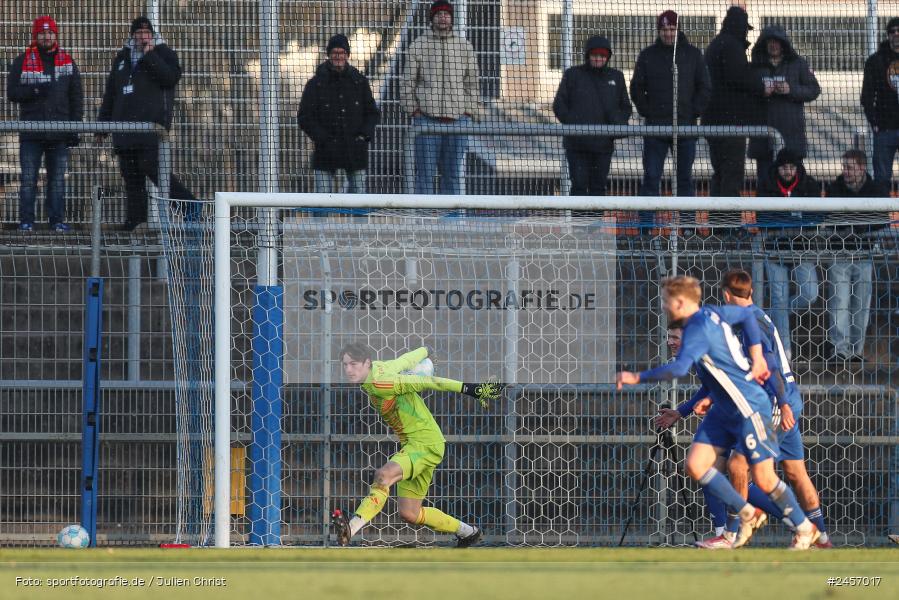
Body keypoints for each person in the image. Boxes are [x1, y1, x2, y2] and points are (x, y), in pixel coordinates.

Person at [619, 275, 820, 550]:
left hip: (749, 406)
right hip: (725, 408)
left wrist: (635, 377)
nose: (664, 306)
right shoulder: (713, 313)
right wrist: (755, 356)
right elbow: (747, 316)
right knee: (696, 465)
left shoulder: (698, 329)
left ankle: (804, 528)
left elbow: (678, 370)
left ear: (679, 302)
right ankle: (745, 515)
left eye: (666, 301)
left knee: (763, 477)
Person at [331, 343, 504, 547]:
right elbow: (404, 360)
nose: (348, 370)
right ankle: (468, 532)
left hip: (423, 443)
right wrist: (426, 350)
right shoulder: (379, 368)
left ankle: (349, 529)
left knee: (383, 476)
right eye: (345, 365)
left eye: (353, 364)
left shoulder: (382, 382)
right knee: (410, 513)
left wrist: (472, 390)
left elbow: (428, 382)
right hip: (421, 444)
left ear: (367, 363)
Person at [97, 16, 197, 231]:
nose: (142, 37)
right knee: (131, 176)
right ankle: (136, 221)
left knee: (153, 168)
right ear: (132, 36)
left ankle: (190, 206)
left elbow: (170, 77)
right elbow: (111, 94)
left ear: (152, 35)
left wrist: (150, 54)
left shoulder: (164, 53)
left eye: (146, 33)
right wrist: (102, 125)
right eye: (138, 33)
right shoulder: (122, 59)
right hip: (124, 129)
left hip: (151, 126)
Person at [6, 15, 83, 232]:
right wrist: (36, 90)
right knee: (29, 180)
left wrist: (75, 128)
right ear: (36, 35)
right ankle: (26, 222)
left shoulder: (67, 62)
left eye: (50, 33)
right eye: (42, 33)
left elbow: (76, 97)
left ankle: (57, 221)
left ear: (55, 35)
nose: (47, 37)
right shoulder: (22, 61)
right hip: (31, 133)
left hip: (59, 133)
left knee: (57, 181)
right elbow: (12, 93)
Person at [401, 1, 480, 195]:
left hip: (458, 121)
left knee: (452, 174)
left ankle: (450, 221)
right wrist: (414, 111)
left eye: (446, 14)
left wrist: (468, 110)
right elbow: (407, 83)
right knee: (425, 175)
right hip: (426, 121)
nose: (443, 17)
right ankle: (423, 220)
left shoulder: (464, 47)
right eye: (439, 14)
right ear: (432, 18)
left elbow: (472, 82)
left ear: (451, 18)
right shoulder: (418, 45)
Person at [630, 10, 711, 197]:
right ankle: (646, 226)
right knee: (651, 177)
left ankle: (688, 225)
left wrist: (692, 112)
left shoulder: (693, 55)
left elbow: (705, 87)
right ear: (659, 30)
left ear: (678, 29)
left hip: (685, 128)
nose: (668, 33)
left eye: (672, 28)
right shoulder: (647, 55)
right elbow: (636, 88)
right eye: (664, 29)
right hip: (655, 129)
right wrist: (648, 111)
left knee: (684, 179)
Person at [822, 149, 890, 361]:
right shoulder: (835, 187)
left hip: (865, 254)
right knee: (839, 302)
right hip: (839, 253)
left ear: (862, 168)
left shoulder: (876, 189)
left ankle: (856, 350)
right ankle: (839, 349)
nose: (846, 172)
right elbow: (833, 218)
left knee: (861, 304)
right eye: (844, 167)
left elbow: (881, 221)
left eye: (850, 167)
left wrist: (855, 225)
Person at [755, 149, 822, 359]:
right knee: (779, 297)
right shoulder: (766, 185)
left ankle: (770, 318)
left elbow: (816, 216)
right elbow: (763, 217)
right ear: (778, 167)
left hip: (801, 249)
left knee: (810, 293)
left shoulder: (809, 185)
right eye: (784, 167)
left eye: (791, 167)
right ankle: (785, 350)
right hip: (775, 250)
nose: (788, 171)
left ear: (797, 167)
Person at [298, 34, 379, 194]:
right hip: (325, 151)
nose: (338, 56)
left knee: (360, 200)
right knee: (322, 200)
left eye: (342, 53)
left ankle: (358, 221)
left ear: (347, 55)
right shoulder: (315, 84)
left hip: (355, 150)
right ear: (328, 55)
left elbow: (372, 113)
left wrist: (363, 136)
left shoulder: (359, 82)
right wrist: (322, 138)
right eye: (335, 53)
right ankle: (319, 221)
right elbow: (304, 117)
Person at [553, 35, 632, 196]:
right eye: (595, 55)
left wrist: (616, 121)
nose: (598, 59)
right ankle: (579, 222)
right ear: (588, 55)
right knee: (579, 187)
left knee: (598, 187)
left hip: (603, 146)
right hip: (577, 145)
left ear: (608, 57)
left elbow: (626, 107)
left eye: (602, 55)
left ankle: (596, 221)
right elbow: (558, 105)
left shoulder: (616, 77)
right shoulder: (573, 75)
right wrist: (574, 123)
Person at [702, 6, 768, 197]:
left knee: (721, 174)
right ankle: (728, 224)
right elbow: (739, 76)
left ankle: (719, 223)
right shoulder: (731, 45)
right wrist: (762, 86)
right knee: (731, 174)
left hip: (714, 120)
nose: (746, 32)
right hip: (729, 122)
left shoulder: (716, 44)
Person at [748, 25, 820, 182]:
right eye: (770, 42)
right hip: (763, 139)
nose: (773, 45)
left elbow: (814, 90)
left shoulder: (798, 64)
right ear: (764, 44)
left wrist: (790, 90)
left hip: (791, 138)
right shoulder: (755, 66)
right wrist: (761, 91)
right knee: (766, 184)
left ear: (783, 44)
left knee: (795, 185)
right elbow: (746, 94)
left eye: (777, 42)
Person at [861, 17, 899, 187]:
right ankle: (881, 214)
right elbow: (867, 96)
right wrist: (874, 122)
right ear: (888, 35)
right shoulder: (876, 61)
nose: (896, 34)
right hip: (885, 129)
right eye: (892, 31)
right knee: (882, 179)